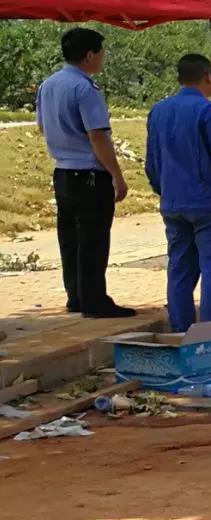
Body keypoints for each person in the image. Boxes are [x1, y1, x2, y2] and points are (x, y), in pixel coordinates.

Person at [145, 54, 211, 332]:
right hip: (208, 203)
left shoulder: (158, 111)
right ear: (208, 77)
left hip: (173, 202)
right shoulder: (209, 111)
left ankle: (181, 329)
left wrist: (163, 189)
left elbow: (152, 161)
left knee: (180, 268)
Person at [36, 27, 135, 318]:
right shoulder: (85, 89)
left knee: (70, 238)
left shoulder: (48, 85)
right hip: (89, 173)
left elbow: (42, 126)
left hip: (63, 172)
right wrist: (116, 175)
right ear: (90, 55)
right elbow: (97, 136)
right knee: (93, 239)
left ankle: (76, 295)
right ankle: (94, 301)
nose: (103, 58)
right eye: (101, 52)